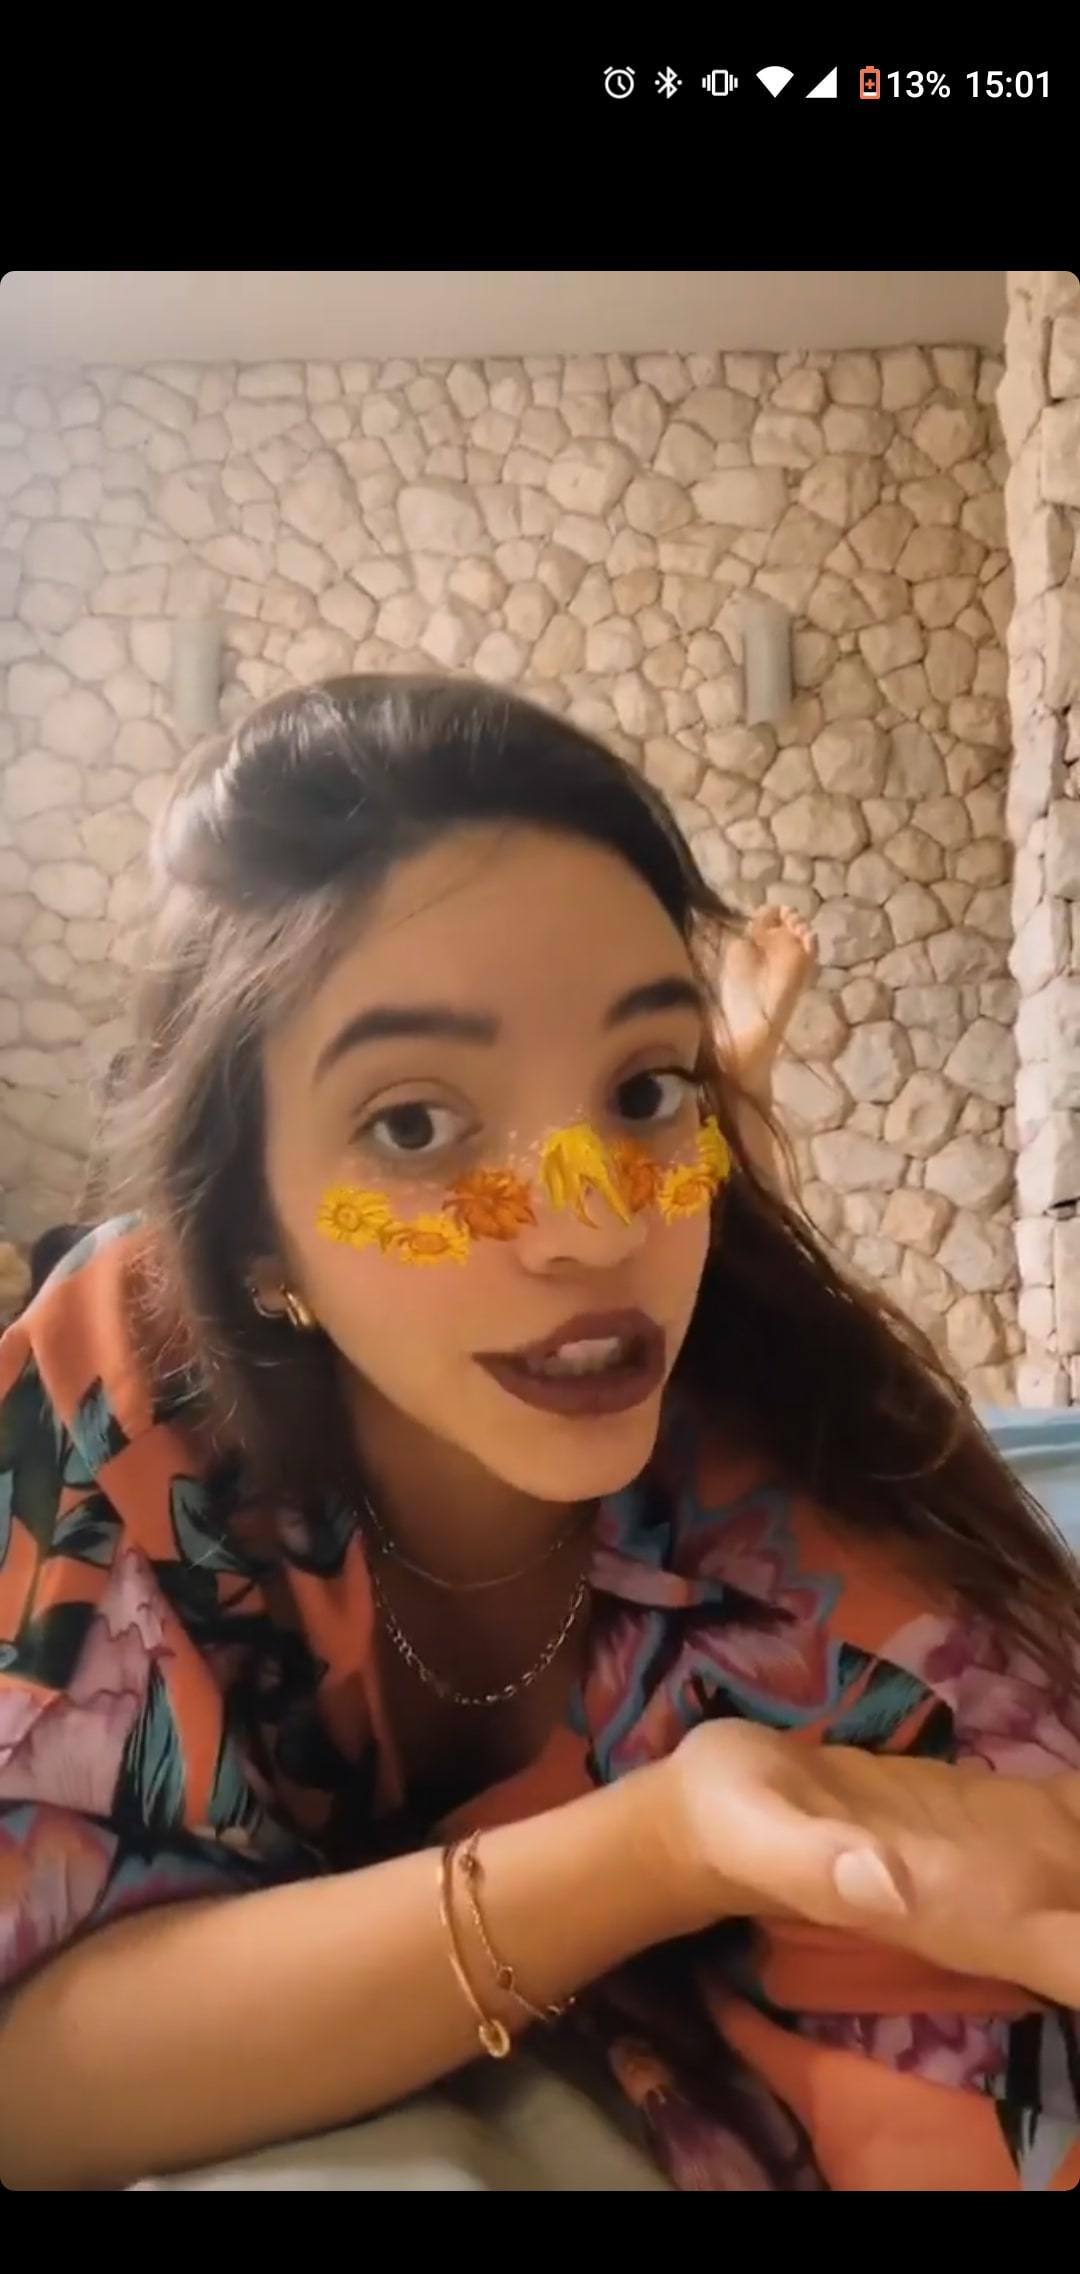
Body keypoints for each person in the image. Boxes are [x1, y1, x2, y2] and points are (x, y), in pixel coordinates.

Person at [1, 673, 1078, 2196]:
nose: (593, 1228)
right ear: (247, 1236)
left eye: (646, 1089)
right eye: (417, 1124)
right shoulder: (116, 1397)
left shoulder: (859, 1621)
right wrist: (657, 1849)